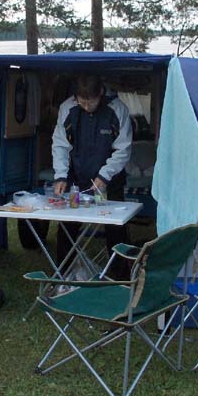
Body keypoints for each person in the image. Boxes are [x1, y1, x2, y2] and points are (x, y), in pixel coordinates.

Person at [51, 74, 133, 280]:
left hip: (110, 179)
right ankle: (64, 275)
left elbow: (123, 149)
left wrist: (105, 175)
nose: (87, 107)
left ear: (101, 94)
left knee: (115, 227)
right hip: (77, 177)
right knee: (67, 225)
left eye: (91, 102)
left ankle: (121, 277)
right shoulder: (67, 108)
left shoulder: (118, 109)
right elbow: (60, 144)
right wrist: (60, 175)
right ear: (76, 97)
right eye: (82, 102)